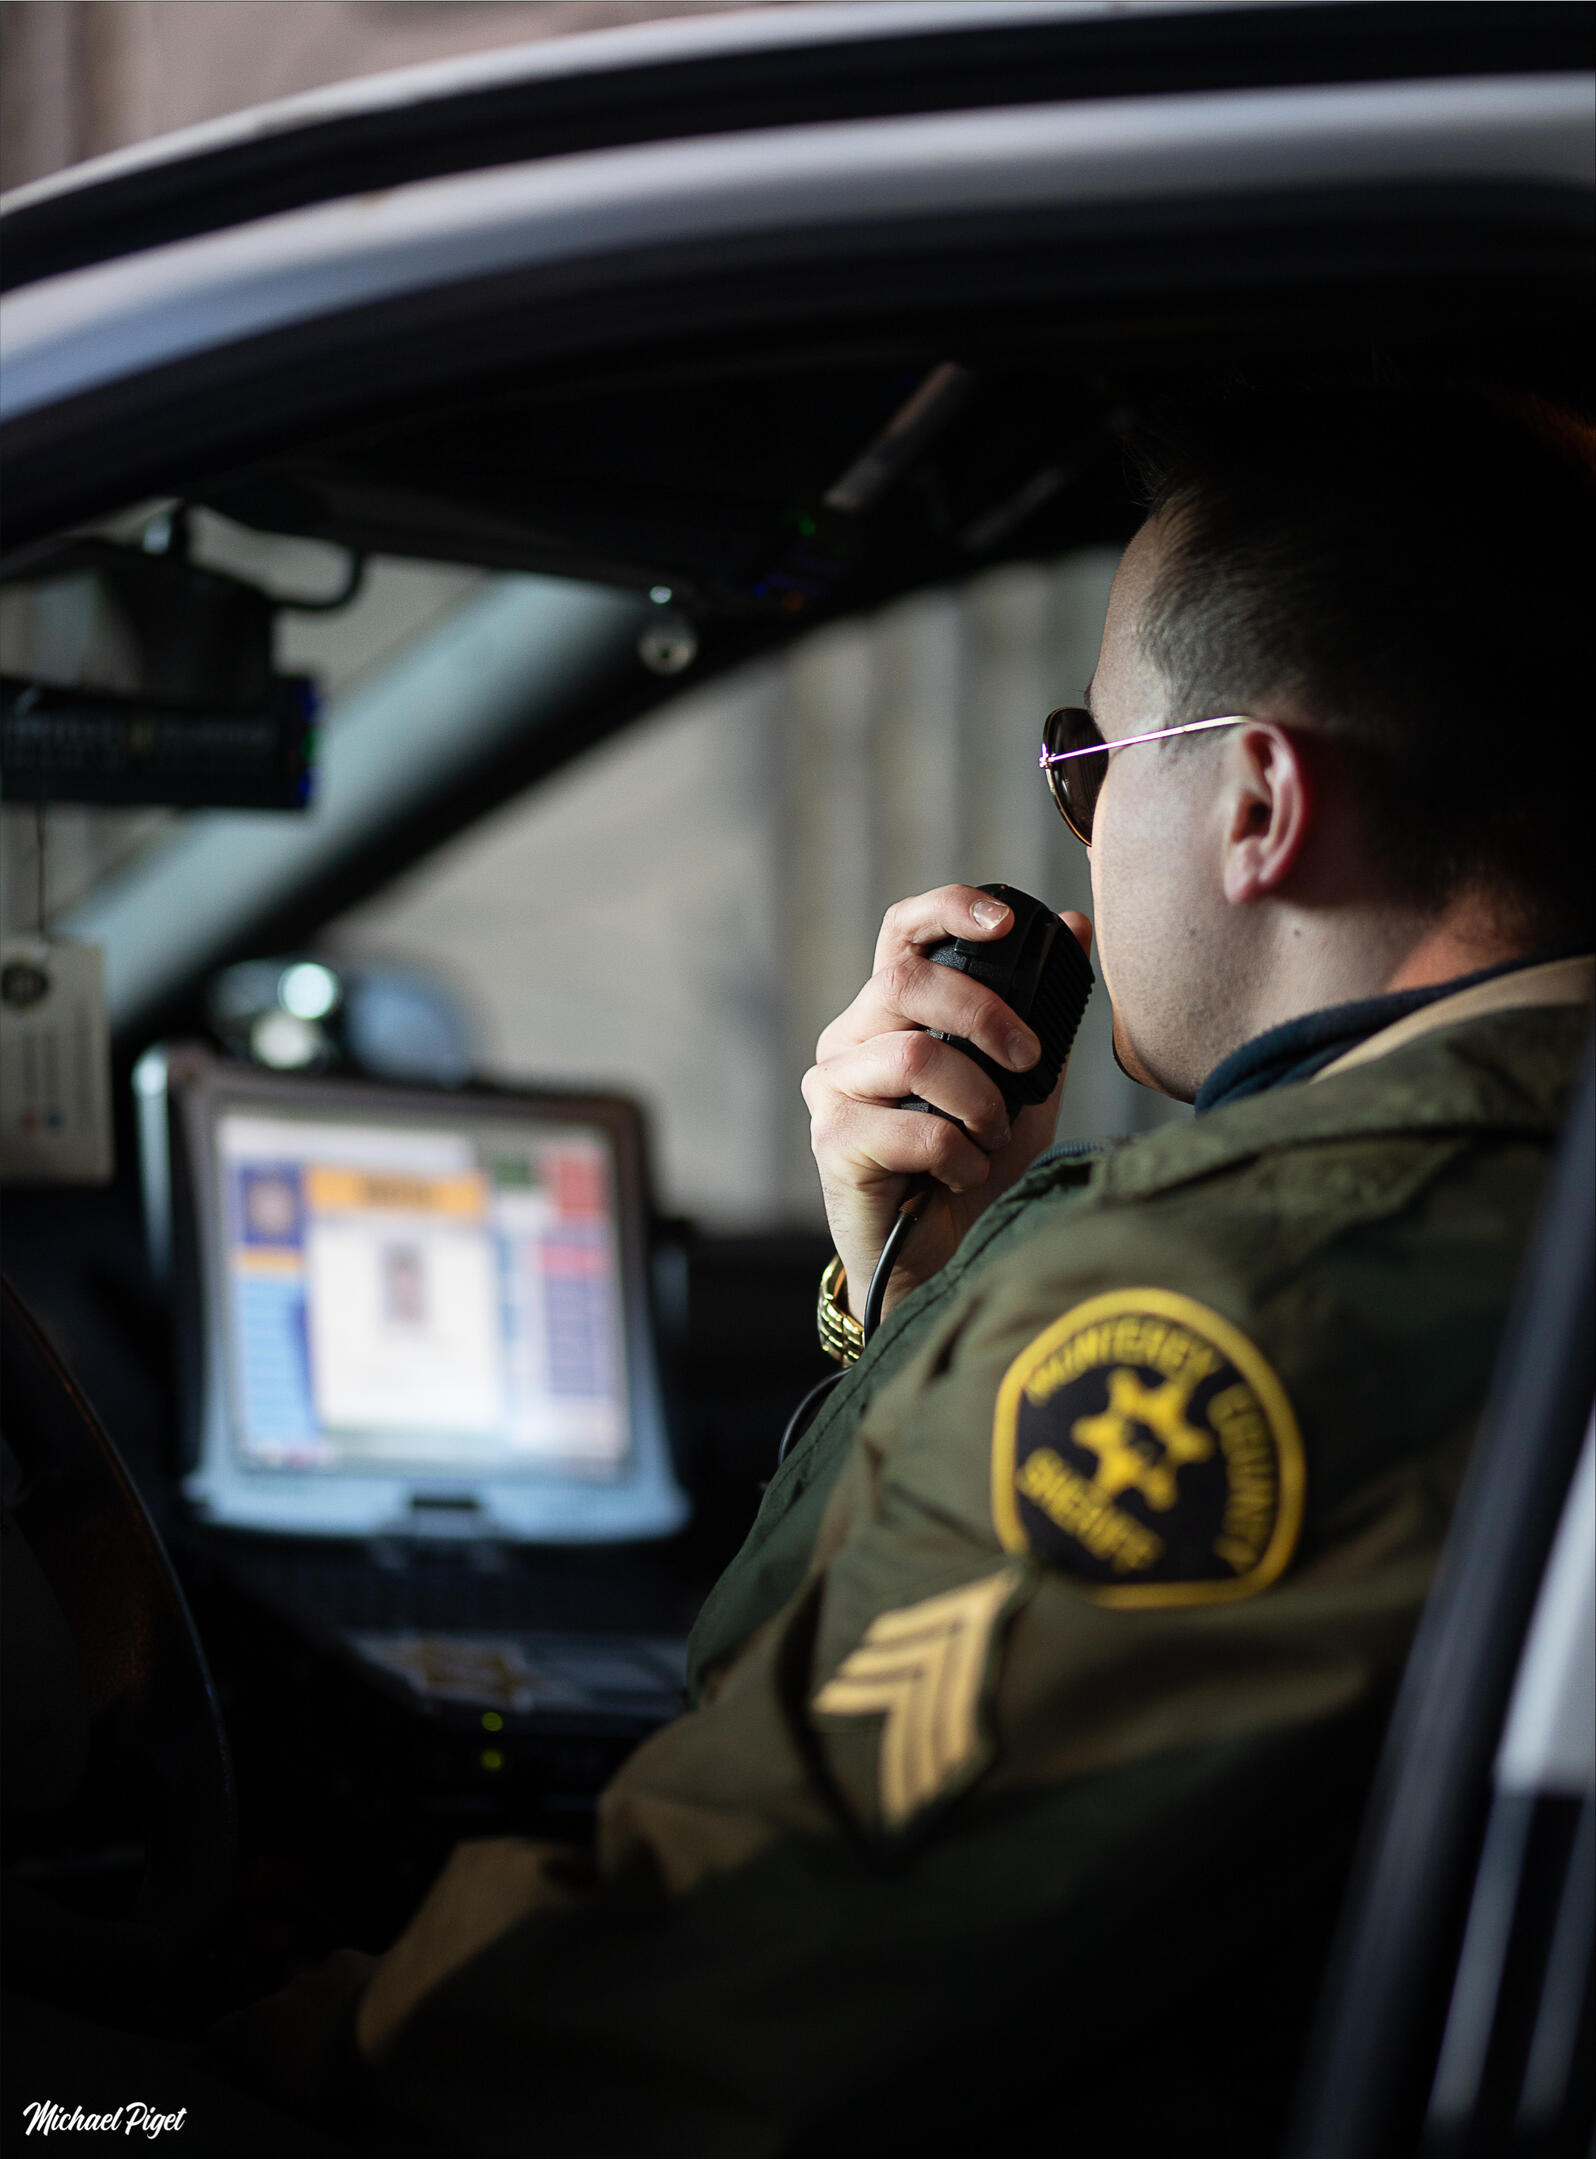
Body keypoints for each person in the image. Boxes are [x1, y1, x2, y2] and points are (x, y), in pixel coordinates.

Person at [218, 389, 1594, 2154]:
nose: (1075, 836)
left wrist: (346, 2038)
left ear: (1258, 803)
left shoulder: (1227, 1301)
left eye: (1088, 764)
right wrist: (926, 1275)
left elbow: (711, 1991)